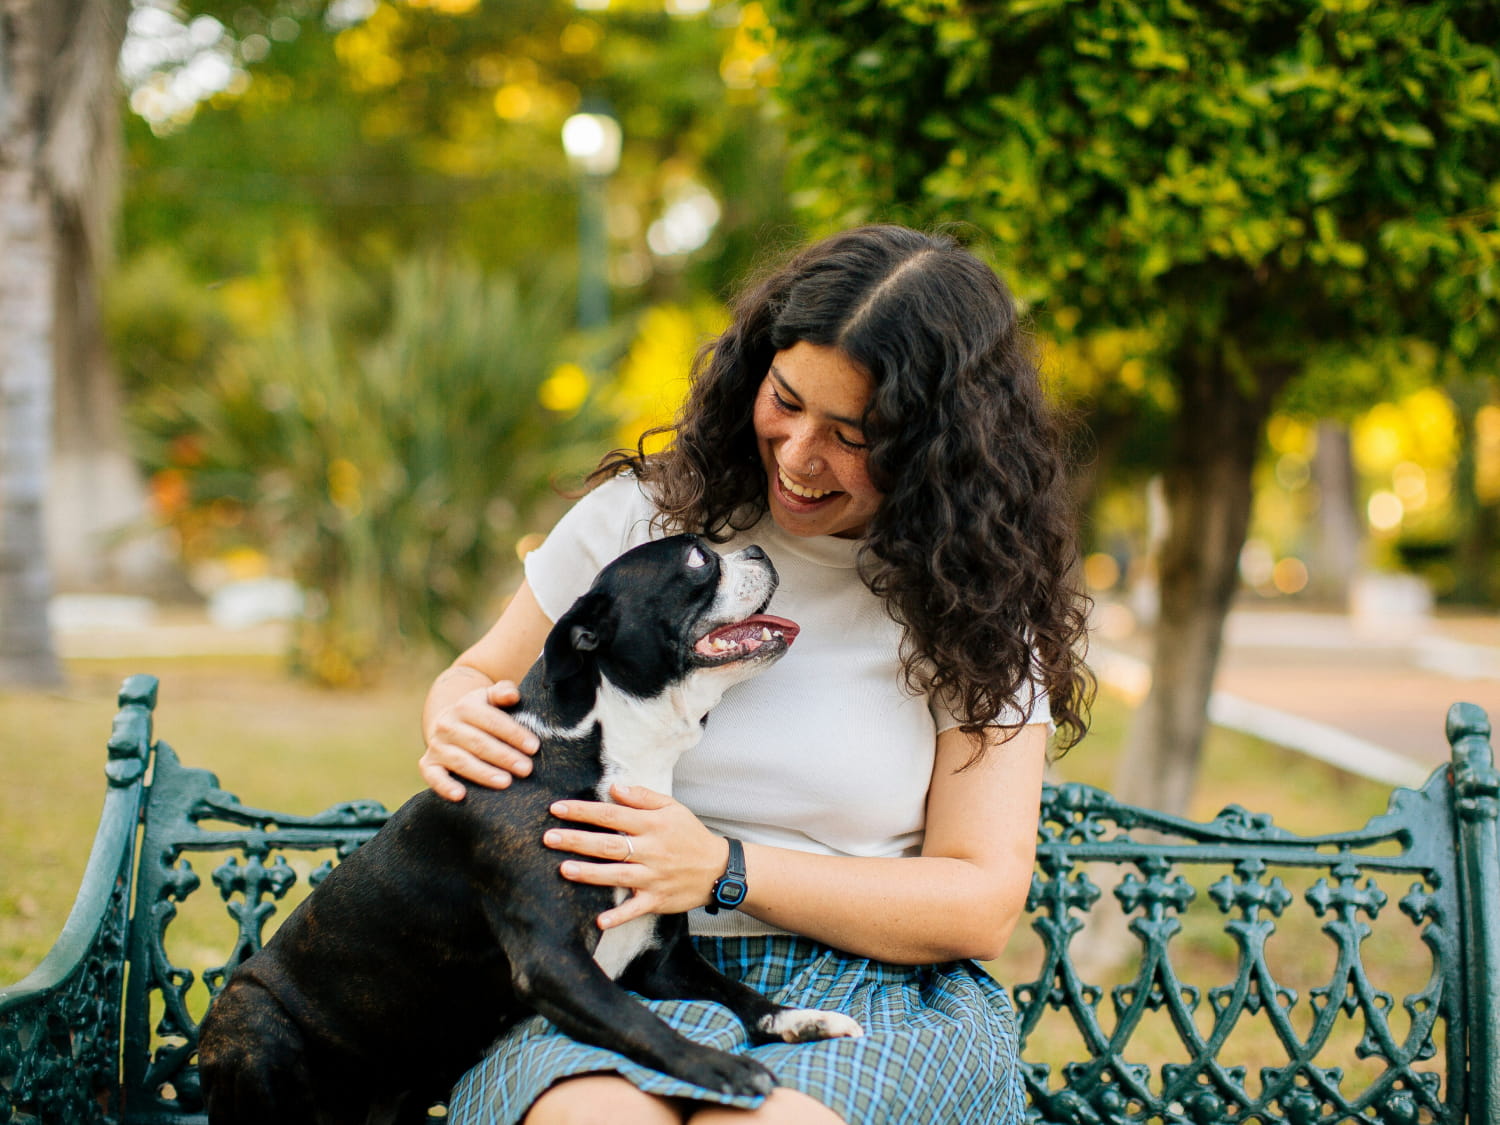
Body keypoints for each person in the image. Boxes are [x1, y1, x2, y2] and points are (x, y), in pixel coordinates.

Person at [419, 224, 1092, 1125]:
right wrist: (457, 715)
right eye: (786, 400)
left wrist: (722, 869)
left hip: (872, 988)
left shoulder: (973, 603)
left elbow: (980, 897)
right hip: (614, 963)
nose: (800, 455)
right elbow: (474, 677)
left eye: (854, 435)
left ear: (941, 448)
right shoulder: (639, 522)